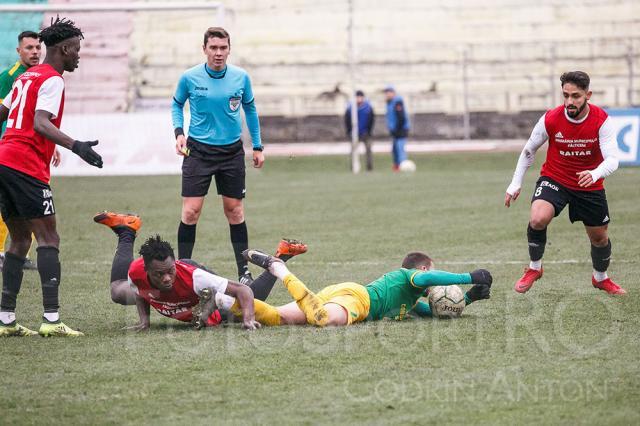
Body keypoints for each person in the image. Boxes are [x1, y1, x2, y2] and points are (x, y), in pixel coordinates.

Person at [0, 17, 103, 337]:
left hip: (4, 160)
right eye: (76, 50)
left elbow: (3, 114)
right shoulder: (53, 79)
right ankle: (51, 320)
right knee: (49, 238)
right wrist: (77, 147)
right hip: (25, 165)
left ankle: (6, 320)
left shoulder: (26, 77)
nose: (78, 56)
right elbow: (40, 123)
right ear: (63, 49)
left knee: (18, 238)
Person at [505, 71, 624, 295]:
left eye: (576, 96)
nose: (570, 101)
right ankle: (534, 268)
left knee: (599, 238)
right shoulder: (551, 118)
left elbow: (613, 159)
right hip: (555, 178)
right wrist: (515, 183)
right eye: (566, 95)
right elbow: (529, 150)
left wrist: (596, 173)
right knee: (538, 218)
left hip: (589, 184)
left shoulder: (601, 120)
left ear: (588, 95)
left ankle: (600, 278)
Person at [93, 211, 307, 331]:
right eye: (160, 274)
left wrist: (249, 320)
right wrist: (144, 321)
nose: (167, 278)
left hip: (193, 278)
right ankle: (127, 230)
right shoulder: (137, 272)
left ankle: (278, 259)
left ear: (174, 264)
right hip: (177, 289)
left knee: (247, 302)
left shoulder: (194, 278)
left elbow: (244, 291)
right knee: (117, 292)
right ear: (147, 270)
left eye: (170, 271)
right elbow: (139, 290)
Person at [172, 27, 264, 287]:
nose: (218, 53)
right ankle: (183, 270)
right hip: (198, 151)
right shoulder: (189, 77)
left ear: (229, 49)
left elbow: (251, 109)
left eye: (223, 48)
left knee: (234, 211)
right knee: (191, 211)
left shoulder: (240, 77)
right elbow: (177, 103)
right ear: (204, 49)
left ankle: (244, 271)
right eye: (213, 48)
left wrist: (257, 146)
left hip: (231, 152)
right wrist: (178, 132)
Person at [223, 249, 492, 327]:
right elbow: (426, 281)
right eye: (432, 272)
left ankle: (224, 301)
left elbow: (432, 311)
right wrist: (469, 275)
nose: (432, 281)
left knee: (276, 317)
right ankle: (279, 269)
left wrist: (468, 299)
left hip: (340, 295)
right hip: (358, 301)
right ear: (422, 270)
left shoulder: (410, 300)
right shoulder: (411, 277)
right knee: (324, 321)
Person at [0, 30, 61, 272]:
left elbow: (42, 118)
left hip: (34, 152)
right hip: (11, 150)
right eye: (29, 48)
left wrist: (52, 145)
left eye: (38, 47)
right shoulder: (9, 77)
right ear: (19, 51)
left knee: (35, 207)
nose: (35, 52)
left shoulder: (43, 75)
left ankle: (21, 251)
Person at [345, 90, 375, 171]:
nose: (358, 99)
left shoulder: (368, 107)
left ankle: (369, 167)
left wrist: (369, 131)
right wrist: (349, 131)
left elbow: (372, 119)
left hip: (365, 132)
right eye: (357, 97)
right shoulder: (351, 108)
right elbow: (347, 120)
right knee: (353, 151)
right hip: (354, 133)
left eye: (360, 97)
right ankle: (353, 167)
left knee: (368, 150)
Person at [383, 85, 410, 171]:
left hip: (400, 129)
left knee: (400, 148)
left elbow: (401, 117)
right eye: (386, 92)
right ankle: (396, 166)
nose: (387, 94)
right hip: (394, 130)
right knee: (394, 149)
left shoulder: (397, 102)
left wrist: (398, 129)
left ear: (393, 93)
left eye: (389, 92)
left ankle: (403, 166)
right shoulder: (389, 103)